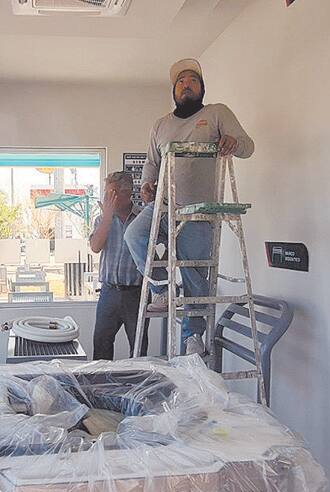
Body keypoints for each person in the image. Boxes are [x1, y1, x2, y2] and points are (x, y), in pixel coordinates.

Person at [123, 58, 255, 356]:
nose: (186, 84)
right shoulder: (161, 125)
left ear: (202, 88)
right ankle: (162, 288)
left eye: (193, 80)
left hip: (199, 211)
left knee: (196, 274)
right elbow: (151, 164)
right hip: (164, 206)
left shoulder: (217, 113)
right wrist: (146, 185)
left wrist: (233, 142)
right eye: (181, 81)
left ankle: (192, 336)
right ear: (174, 90)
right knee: (134, 236)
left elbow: (248, 146)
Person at [89, 171, 147, 360]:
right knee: (101, 345)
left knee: (138, 348)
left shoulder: (143, 219)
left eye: (111, 193)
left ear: (126, 193)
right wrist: (106, 218)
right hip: (108, 292)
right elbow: (95, 247)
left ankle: (138, 387)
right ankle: (100, 388)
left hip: (136, 293)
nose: (106, 198)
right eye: (106, 193)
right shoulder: (101, 219)